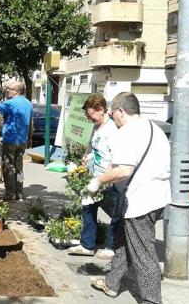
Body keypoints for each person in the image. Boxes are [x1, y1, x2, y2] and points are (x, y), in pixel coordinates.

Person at [88, 92, 170, 304]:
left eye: (113, 112)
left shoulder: (128, 132)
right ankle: (112, 282)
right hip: (157, 197)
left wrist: (99, 180)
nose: (112, 117)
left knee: (143, 254)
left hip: (140, 201)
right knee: (124, 241)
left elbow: (123, 169)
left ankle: (151, 299)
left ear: (122, 111)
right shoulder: (154, 129)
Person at [68, 94, 120, 259]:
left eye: (91, 115)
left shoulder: (111, 130)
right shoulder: (98, 127)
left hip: (110, 179)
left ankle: (113, 247)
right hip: (96, 177)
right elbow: (94, 147)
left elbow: (116, 156)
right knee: (88, 206)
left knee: (117, 213)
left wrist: (107, 176)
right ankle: (87, 244)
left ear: (101, 110)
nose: (89, 119)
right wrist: (88, 157)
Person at [0, 81, 33, 201]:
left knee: (9, 167)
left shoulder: (11, 103)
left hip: (10, 140)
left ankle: (10, 194)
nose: (7, 91)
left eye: (9, 89)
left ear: (16, 91)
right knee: (19, 166)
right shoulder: (28, 103)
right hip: (22, 141)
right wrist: (30, 138)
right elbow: (31, 122)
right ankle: (19, 193)